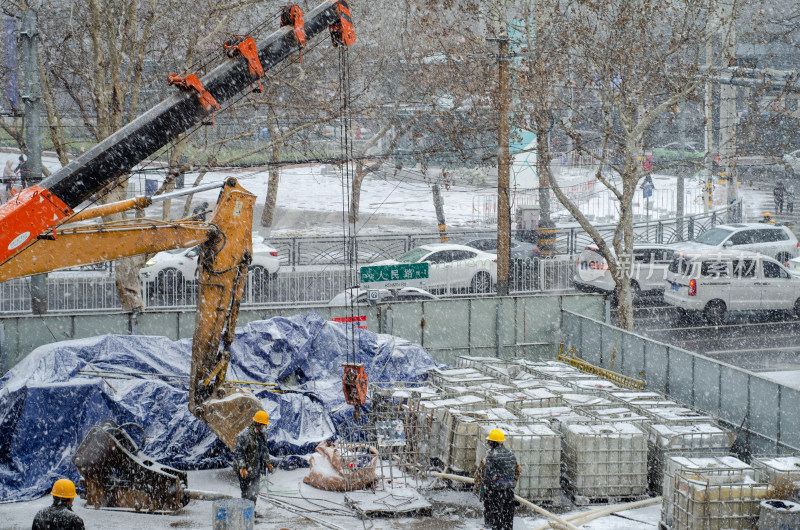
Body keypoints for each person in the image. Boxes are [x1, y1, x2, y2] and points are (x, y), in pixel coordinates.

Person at [474, 429, 521, 530]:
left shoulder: (491, 455)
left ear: (491, 443)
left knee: (496, 520)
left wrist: (482, 490)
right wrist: (510, 485)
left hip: (496, 492)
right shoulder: (511, 454)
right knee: (508, 520)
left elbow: (487, 476)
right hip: (509, 492)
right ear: (502, 442)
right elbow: (516, 472)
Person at [233, 410, 273, 504]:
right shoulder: (244, 435)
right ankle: (245, 513)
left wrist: (268, 462)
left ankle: (251, 512)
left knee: (254, 492)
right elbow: (239, 453)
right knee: (246, 493)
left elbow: (265, 449)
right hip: (246, 469)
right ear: (258, 424)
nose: (266, 427)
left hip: (256, 468)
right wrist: (242, 467)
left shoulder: (262, 434)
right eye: (265, 425)